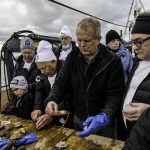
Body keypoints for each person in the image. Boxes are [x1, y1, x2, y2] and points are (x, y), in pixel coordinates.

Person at [45, 17, 125, 138]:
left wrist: (105, 115)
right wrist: (52, 99)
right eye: (79, 40)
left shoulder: (113, 61)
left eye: (87, 41)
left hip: (104, 124)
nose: (82, 45)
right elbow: (61, 82)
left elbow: (115, 94)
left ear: (98, 39)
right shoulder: (72, 57)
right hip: (78, 119)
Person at [31, 40, 73, 129]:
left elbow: (70, 96)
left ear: (53, 61)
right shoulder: (42, 75)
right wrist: (37, 108)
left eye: (44, 68)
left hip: (68, 116)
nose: (42, 72)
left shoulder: (66, 71)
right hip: (50, 116)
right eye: (40, 69)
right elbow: (39, 91)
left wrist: (52, 114)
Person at [121, 12, 150, 139]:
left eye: (139, 41)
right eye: (133, 42)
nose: (135, 48)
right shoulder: (137, 62)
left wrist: (148, 113)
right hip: (131, 135)